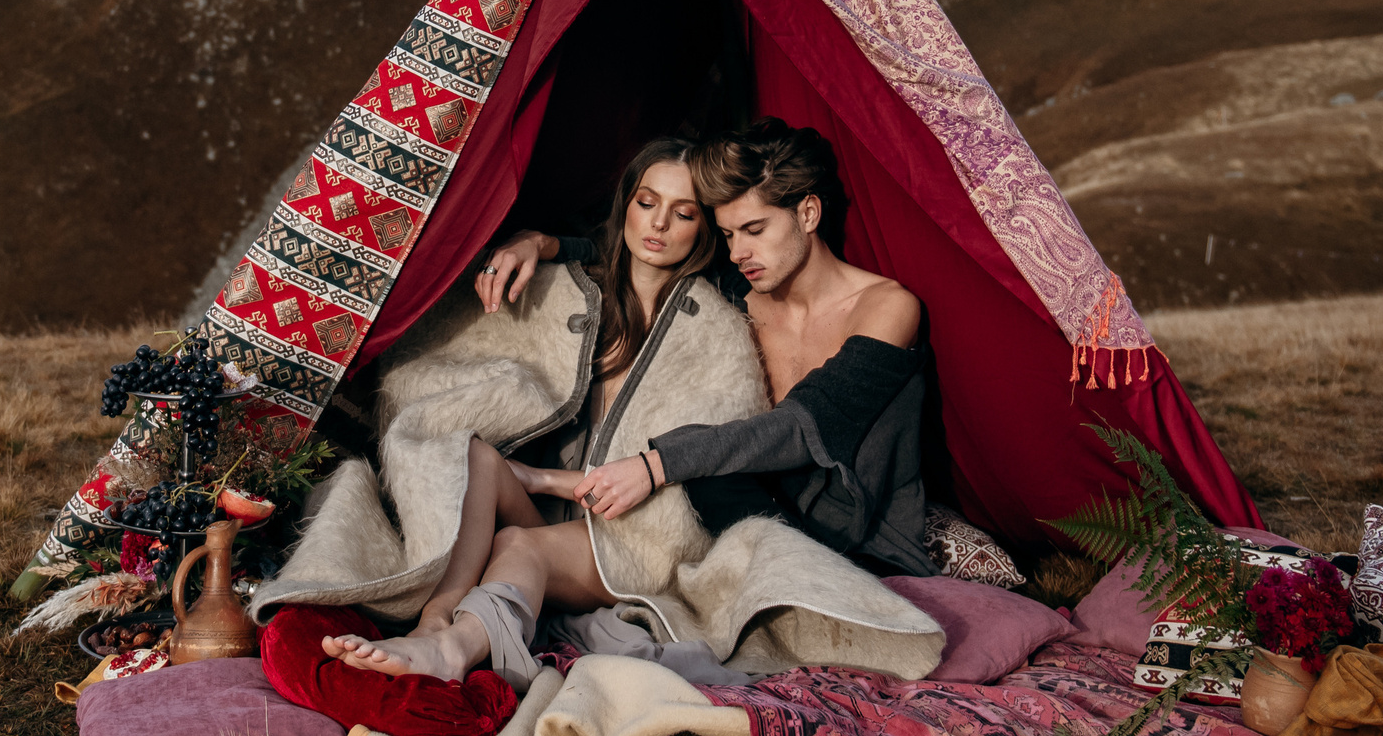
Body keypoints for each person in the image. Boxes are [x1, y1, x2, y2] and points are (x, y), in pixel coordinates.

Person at [320, 137, 734, 681]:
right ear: (625, 204)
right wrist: (537, 243)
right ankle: (430, 623)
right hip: (562, 522)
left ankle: (452, 651)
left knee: (519, 544)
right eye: (645, 202)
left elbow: (696, 469)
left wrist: (543, 479)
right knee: (472, 455)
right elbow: (592, 249)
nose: (657, 225)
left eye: (682, 213)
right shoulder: (583, 297)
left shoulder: (711, 327)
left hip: (633, 542)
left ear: (704, 227)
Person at [475, 118, 938, 579]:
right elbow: (642, 251)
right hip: (751, 521)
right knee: (707, 480)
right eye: (730, 235)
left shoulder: (887, 308)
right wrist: (538, 242)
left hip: (856, 545)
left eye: (755, 229)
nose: (738, 252)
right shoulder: (739, 294)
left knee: (699, 467)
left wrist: (655, 465)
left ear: (809, 213)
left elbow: (801, 427)